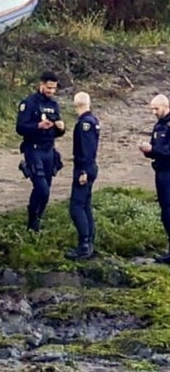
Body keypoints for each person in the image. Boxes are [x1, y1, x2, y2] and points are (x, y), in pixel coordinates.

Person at [15, 71, 66, 232]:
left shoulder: (54, 105)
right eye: (49, 87)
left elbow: (58, 131)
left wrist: (61, 129)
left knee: (46, 191)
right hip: (33, 149)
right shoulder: (29, 103)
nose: (51, 91)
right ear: (41, 85)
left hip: (49, 150)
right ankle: (32, 220)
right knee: (41, 188)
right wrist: (38, 126)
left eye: (54, 88)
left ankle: (36, 222)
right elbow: (20, 128)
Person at [65, 92, 100, 260]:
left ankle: (84, 244)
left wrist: (83, 171)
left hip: (84, 167)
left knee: (76, 207)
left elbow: (85, 149)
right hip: (91, 166)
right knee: (85, 205)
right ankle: (89, 242)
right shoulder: (93, 121)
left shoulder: (84, 124)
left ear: (75, 105)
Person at [139, 93, 170, 264]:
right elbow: (156, 150)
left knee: (169, 210)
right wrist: (148, 151)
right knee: (165, 210)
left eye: (156, 109)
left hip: (169, 172)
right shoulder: (159, 126)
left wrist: (154, 150)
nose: (154, 112)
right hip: (160, 171)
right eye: (152, 109)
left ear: (166, 107)